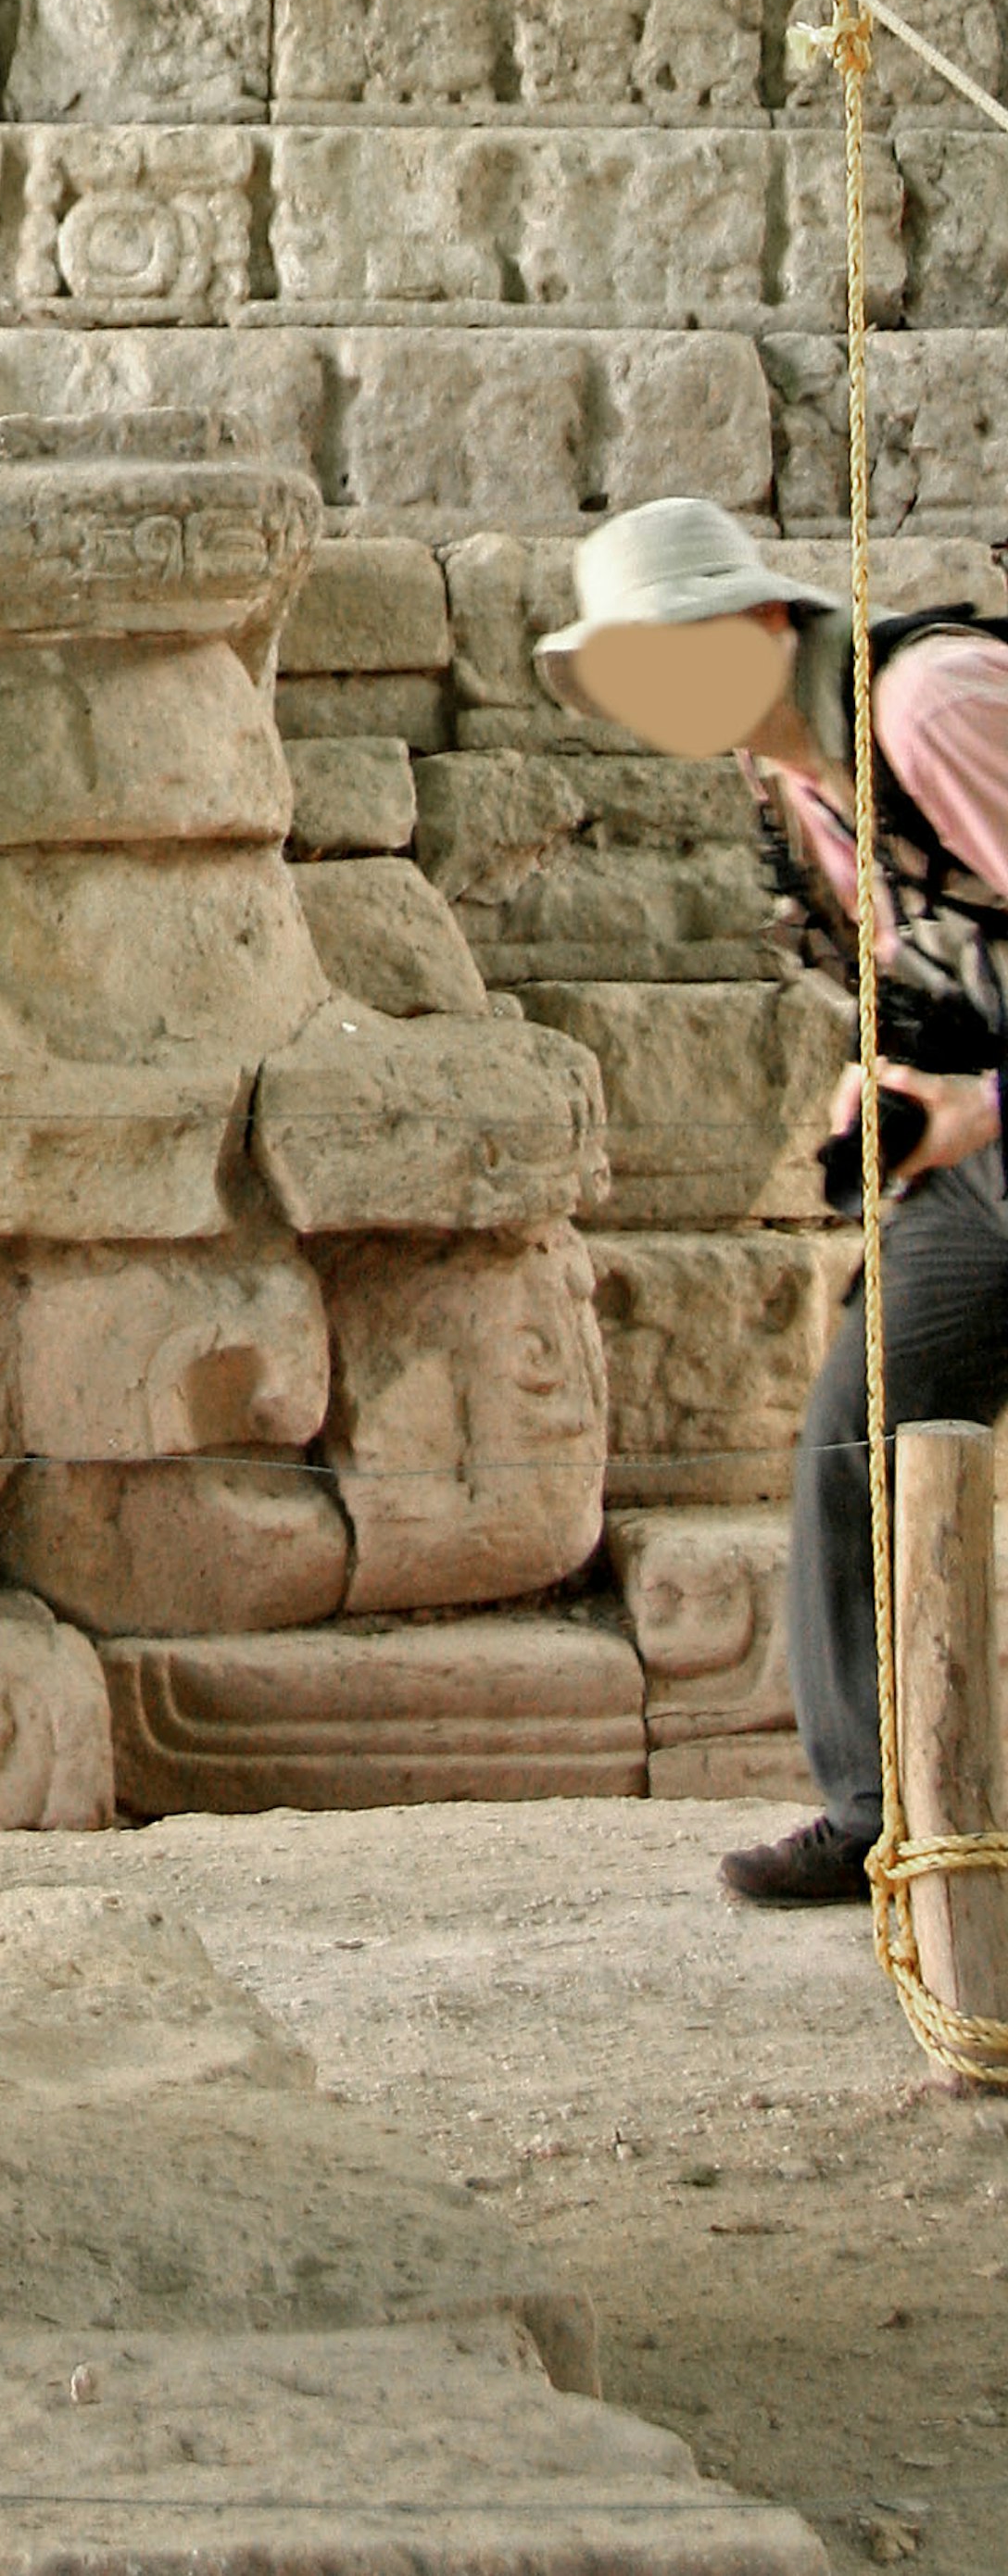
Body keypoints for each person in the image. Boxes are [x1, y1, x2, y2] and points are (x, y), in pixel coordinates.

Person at [543, 498, 1008, 1908]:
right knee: (857, 1425)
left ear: (761, 625)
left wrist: (977, 1109)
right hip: (981, 1150)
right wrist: (895, 1088)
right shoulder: (794, 780)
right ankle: (879, 1807)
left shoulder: (932, 704)